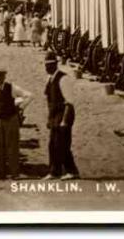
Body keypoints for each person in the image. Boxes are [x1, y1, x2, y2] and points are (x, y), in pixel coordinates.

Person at [0, 68, 32, 180]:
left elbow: (29, 95)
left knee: (12, 147)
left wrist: (20, 108)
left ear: (4, 76)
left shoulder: (12, 87)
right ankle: (0, 174)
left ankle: (15, 174)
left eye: (0, 76)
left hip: (11, 120)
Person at [43, 52, 78, 180]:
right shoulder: (50, 79)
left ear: (55, 65)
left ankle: (72, 171)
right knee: (52, 144)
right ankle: (54, 171)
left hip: (64, 114)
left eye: (49, 65)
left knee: (63, 144)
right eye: (46, 65)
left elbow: (69, 102)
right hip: (54, 114)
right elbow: (50, 100)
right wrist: (49, 118)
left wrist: (64, 121)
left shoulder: (63, 79)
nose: (46, 68)